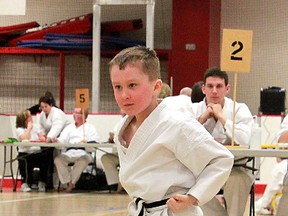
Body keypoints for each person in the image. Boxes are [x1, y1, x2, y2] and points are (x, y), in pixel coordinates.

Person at [109, 46, 234, 215]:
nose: (124, 95)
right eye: (118, 87)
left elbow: (221, 159)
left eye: (132, 85)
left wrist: (193, 196)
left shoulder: (175, 123)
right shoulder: (121, 129)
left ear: (156, 86)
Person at [188, 66, 254, 216]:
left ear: (227, 88)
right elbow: (183, 139)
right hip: (201, 170)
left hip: (234, 167)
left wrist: (222, 119)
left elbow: (246, 139)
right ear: (203, 88)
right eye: (210, 86)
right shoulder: (193, 109)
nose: (214, 91)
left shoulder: (239, 109)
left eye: (219, 86)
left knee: (238, 179)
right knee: (185, 182)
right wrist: (202, 119)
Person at [54, 107, 100, 192]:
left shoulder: (90, 128)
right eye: (74, 112)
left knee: (83, 161)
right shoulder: (69, 128)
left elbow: (94, 144)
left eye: (78, 113)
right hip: (69, 152)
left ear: (84, 116)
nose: (74, 114)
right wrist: (57, 141)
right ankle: (68, 182)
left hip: (84, 152)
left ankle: (72, 183)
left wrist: (86, 143)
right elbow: (62, 140)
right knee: (58, 160)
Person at [15, 110, 50, 192]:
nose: (31, 118)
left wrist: (42, 138)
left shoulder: (36, 126)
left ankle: (42, 182)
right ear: (25, 119)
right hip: (25, 153)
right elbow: (25, 138)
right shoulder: (19, 129)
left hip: (36, 152)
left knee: (46, 158)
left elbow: (41, 137)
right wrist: (29, 128)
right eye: (29, 116)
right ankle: (25, 183)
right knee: (26, 160)